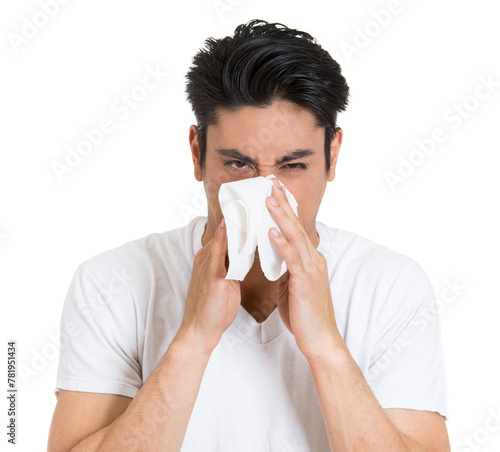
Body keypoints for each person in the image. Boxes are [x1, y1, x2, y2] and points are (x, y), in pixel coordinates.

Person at [47, 19, 450, 451]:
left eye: (293, 166)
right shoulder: (112, 282)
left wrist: (326, 348)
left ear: (332, 156)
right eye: (239, 166)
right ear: (198, 155)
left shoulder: (391, 285)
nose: (266, 194)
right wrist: (193, 341)